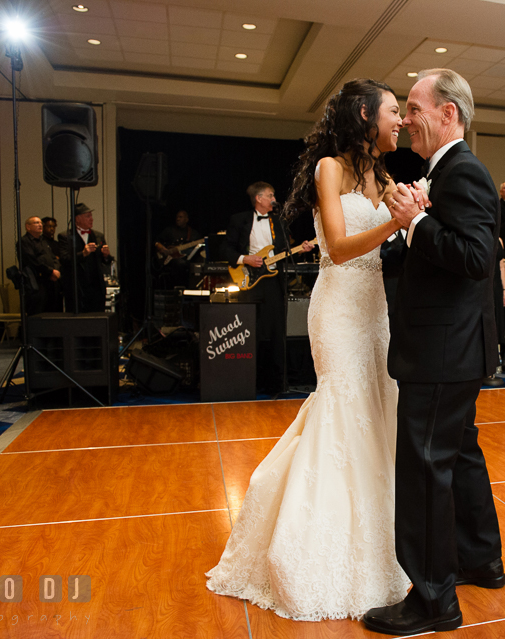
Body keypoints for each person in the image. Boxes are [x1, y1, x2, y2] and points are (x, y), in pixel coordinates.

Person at [206, 78, 409, 621]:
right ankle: (320, 549)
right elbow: (340, 248)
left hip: (377, 313)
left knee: (377, 414)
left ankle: (382, 543)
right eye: (394, 111)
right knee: (343, 413)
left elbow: (399, 241)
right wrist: (396, 219)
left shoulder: (384, 176)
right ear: (366, 114)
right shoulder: (330, 169)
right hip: (340, 309)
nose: (401, 120)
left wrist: (413, 217)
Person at [363, 68, 503, 636]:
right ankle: (480, 560)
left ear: (449, 113)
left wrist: (415, 219)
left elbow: (475, 258)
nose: (408, 118)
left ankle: (432, 600)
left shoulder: (463, 172)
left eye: (416, 107)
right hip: (455, 348)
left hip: (443, 350)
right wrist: (413, 223)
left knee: (425, 469)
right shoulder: (444, 174)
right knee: (460, 456)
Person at [222, 183, 314, 395]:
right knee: (248, 330)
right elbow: (225, 248)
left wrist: (302, 249)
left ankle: (277, 384)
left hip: (273, 280)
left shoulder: (278, 221)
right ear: (259, 199)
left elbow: (285, 251)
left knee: (276, 331)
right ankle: (245, 383)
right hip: (249, 279)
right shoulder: (240, 219)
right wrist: (246, 259)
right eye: (270, 195)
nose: (274, 198)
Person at [57, 203, 114, 313]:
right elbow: (64, 259)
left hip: (96, 287)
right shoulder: (65, 236)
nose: (91, 219)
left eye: (91, 216)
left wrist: (106, 256)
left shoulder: (98, 235)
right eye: (87, 216)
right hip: (77, 287)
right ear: (77, 219)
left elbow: (104, 261)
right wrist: (82, 253)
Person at [18, 216, 61, 316]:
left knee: (53, 312)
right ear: (28, 227)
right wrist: (51, 271)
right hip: (36, 283)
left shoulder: (43, 241)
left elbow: (53, 258)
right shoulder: (24, 242)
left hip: (51, 281)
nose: (40, 225)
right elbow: (32, 261)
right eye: (36, 223)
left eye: (41, 223)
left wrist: (56, 270)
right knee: (38, 313)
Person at [154, 210, 201, 288]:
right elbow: (156, 241)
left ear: (186, 219)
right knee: (180, 263)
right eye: (177, 217)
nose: (178, 219)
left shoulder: (193, 233)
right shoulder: (169, 230)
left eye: (181, 217)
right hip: (169, 260)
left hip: (186, 259)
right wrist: (161, 248)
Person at [41, 216, 64, 311]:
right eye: (49, 226)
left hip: (58, 280)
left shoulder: (57, 244)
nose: (51, 229)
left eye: (53, 226)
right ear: (43, 227)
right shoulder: (40, 243)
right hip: (45, 279)